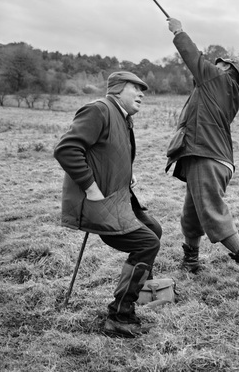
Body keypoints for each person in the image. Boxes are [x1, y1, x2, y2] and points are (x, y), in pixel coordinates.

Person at [54, 71, 162, 338]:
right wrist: (91, 190)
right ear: (116, 90)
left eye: (143, 89)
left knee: (153, 229)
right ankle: (119, 315)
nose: (141, 93)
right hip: (99, 203)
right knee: (146, 243)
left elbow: (107, 151)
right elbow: (67, 149)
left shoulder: (122, 117)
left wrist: (127, 173)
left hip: (118, 198)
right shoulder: (99, 110)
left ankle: (140, 291)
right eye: (135, 88)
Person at [165, 18, 239, 289]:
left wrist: (179, 32)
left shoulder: (219, 81)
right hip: (208, 156)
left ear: (228, 70)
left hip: (207, 156)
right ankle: (191, 260)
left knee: (211, 212)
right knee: (192, 213)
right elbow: (197, 73)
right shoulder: (220, 89)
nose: (214, 64)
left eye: (220, 62)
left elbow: (194, 60)